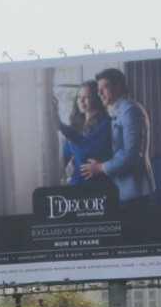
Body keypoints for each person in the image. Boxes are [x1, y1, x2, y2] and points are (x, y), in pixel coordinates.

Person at [80, 68, 155, 206]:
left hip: (134, 191)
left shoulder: (130, 110)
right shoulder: (118, 109)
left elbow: (131, 156)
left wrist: (100, 168)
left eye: (105, 87)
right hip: (123, 189)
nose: (99, 93)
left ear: (118, 86)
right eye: (98, 89)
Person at [53, 81, 112, 185]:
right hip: (76, 184)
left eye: (87, 97)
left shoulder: (106, 123)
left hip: (96, 185)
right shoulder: (75, 127)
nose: (81, 101)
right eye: (79, 97)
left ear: (96, 98)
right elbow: (64, 158)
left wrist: (61, 125)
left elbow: (86, 148)